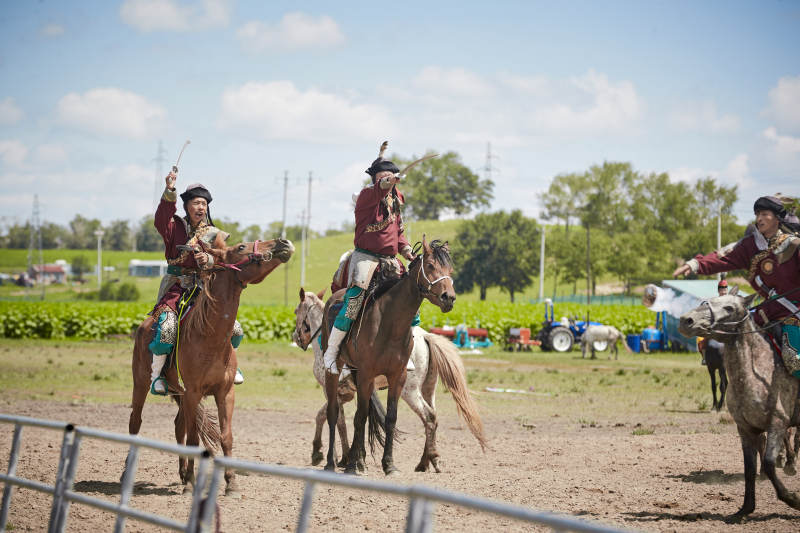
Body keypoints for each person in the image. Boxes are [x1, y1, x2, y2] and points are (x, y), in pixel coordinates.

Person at [673, 195, 800, 378]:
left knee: (793, 359)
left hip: (794, 313)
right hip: (765, 313)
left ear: (777, 218)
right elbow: (722, 257)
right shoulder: (750, 246)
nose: (759, 219)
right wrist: (694, 265)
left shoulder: (794, 245)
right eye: (757, 214)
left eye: (765, 214)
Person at [323, 142, 417, 375]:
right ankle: (332, 352)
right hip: (365, 257)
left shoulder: (396, 201)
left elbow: (399, 234)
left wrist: (405, 251)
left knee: (410, 298)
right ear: (376, 180)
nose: (389, 181)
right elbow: (380, 188)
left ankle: (408, 352)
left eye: (392, 177)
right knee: (354, 299)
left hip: (390, 259)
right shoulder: (366, 196)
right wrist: (388, 180)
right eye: (384, 178)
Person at [148, 170, 244, 394]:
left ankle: (231, 366)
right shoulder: (172, 227)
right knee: (166, 330)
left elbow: (224, 260)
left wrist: (208, 259)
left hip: (204, 291)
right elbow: (160, 217)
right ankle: (157, 376)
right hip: (175, 288)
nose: (200, 207)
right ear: (187, 206)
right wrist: (170, 189)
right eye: (196, 203)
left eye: (203, 204)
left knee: (236, 329)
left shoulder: (214, 233)